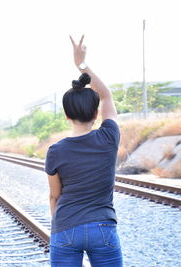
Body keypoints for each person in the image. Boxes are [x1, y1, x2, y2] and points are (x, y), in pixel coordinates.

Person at [45, 35, 123, 267]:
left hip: (66, 227)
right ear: (96, 114)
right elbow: (106, 95)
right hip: (103, 228)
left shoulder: (55, 151)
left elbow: (54, 196)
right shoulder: (109, 137)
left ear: (67, 116)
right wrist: (81, 64)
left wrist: (61, 227)